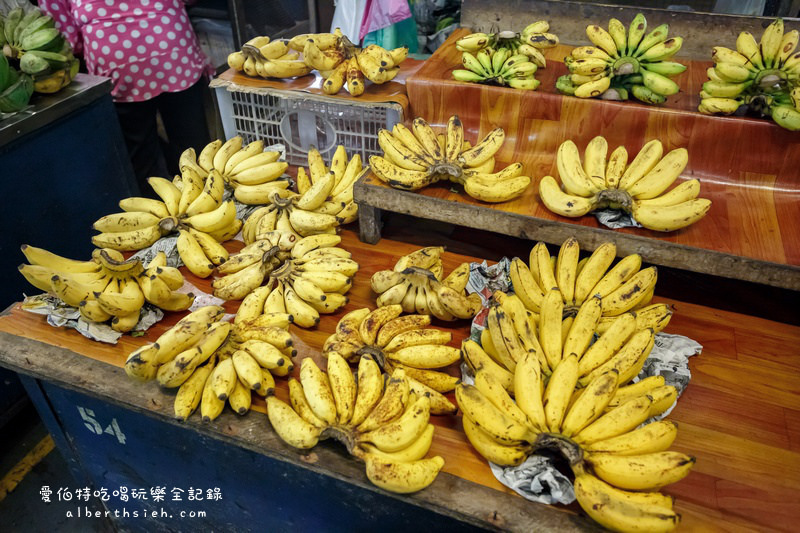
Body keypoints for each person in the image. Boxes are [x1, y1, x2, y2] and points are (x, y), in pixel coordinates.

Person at [41, 0, 214, 195]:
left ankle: (160, 216)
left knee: (142, 159)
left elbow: (65, 37)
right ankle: (211, 205)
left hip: (113, 54)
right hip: (170, 42)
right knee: (194, 148)